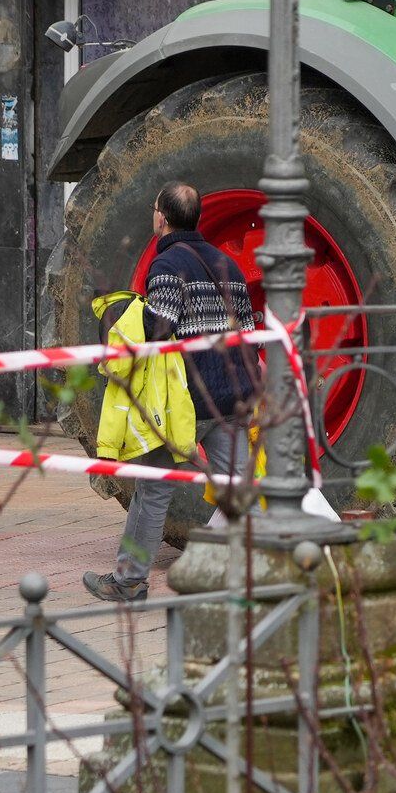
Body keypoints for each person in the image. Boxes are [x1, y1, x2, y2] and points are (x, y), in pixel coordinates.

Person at [83, 181, 257, 604]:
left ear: (161, 217)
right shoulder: (228, 266)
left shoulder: (166, 267)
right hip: (233, 393)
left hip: (185, 398)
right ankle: (256, 575)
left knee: (153, 488)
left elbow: (160, 330)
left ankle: (129, 581)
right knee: (238, 488)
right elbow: (249, 333)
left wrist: (128, 316)